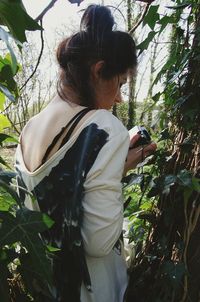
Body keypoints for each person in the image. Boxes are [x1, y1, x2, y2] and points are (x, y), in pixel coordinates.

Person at [15, 5, 156, 302]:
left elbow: (57, 193)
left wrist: (114, 167)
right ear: (98, 70)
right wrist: (114, 175)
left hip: (44, 285)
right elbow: (99, 243)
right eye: (119, 83)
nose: (118, 97)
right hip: (91, 291)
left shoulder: (29, 128)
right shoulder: (104, 128)